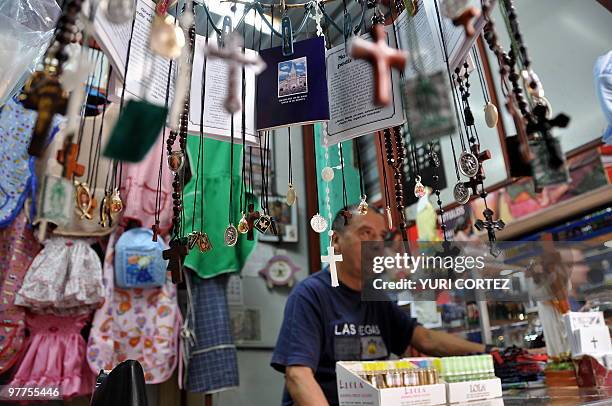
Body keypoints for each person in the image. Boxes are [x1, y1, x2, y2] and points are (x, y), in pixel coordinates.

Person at [271, 205, 489, 406]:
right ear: (336, 241)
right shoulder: (310, 295)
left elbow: (424, 338)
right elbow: (298, 375)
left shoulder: (377, 298)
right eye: (366, 233)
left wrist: (489, 352)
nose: (376, 244)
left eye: (381, 236)